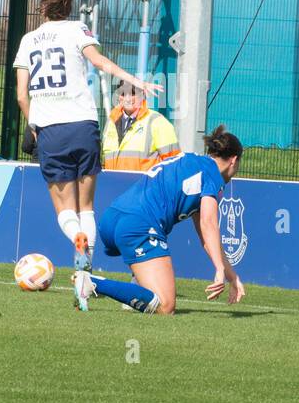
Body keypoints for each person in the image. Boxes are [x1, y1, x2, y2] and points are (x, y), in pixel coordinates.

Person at [13, 0, 161, 309]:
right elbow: (99, 62)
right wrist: (135, 81)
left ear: (42, 7)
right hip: (83, 124)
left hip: (50, 129)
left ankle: (74, 240)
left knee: (64, 210)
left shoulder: (27, 40)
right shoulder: (78, 29)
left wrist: (33, 123)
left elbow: (22, 94)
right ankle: (85, 274)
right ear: (69, 6)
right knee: (87, 207)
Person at [76, 126, 246, 316]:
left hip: (113, 219)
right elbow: (209, 224)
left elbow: (206, 236)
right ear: (234, 160)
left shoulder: (190, 162)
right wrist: (219, 270)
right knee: (165, 306)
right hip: (139, 225)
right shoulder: (212, 175)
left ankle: (136, 291)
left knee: (152, 275)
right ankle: (90, 283)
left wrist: (231, 276)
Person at [101, 80, 180, 172]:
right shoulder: (111, 122)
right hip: (113, 184)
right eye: (123, 93)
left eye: (132, 93)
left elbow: (174, 164)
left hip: (146, 185)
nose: (128, 99)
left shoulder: (157, 121)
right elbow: (103, 161)